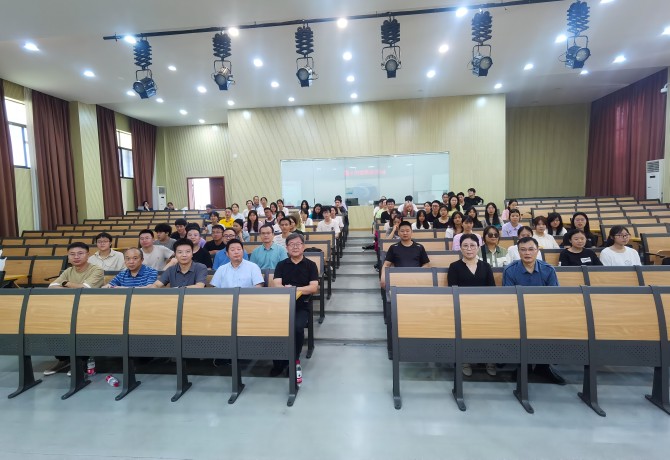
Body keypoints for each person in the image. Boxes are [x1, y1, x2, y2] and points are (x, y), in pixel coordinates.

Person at [503, 236, 565, 385]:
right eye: (523, 250)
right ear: (518, 252)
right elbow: (509, 299)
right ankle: (523, 366)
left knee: (552, 324)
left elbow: (554, 297)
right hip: (519, 312)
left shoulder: (548, 270)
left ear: (537, 251)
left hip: (544, 313)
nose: (527, 253)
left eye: (531, 249)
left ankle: (543, 367)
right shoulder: (510, 270)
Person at [45, 242, 104, 376]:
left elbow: (85, 289)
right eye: (72, 254)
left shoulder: (96, 270)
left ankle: (82, 361)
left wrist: (66, 283)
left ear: (88, 255)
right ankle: (64, 359)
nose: (76, 257)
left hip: (90, 310)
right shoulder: (68, 271)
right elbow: (52, 286)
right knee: (52, 325)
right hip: (68, 308)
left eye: (80, 253)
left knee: (80, 326)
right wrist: (74, 287)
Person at [271, 233, 319, 386]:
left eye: (298, 244)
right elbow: (277, 284)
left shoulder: (311, 265)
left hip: (301, 305)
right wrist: (294, 289)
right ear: (286, 248)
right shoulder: (281, 265)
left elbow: (313, 287)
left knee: (297, 328)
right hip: (282, 305)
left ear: (303, 246)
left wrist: (294, 289)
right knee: (275, 327)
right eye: (291, 244)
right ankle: (278, 361)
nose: (295, 247)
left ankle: (294, 359)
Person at [448, 233, 496, 377]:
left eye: (472, 245)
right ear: (460, 248)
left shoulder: (486, 266)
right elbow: (453, 291)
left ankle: (489, 360)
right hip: (463, 309)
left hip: (485, 309)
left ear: (478, 247)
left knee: (490, 327)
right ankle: (465, 361)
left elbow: (492, 290)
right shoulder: (454, 267)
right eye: (465, 246)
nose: (469, 249)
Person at [380, 221, 430, 289]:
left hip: (416, 280)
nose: (405, 233)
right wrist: (383, 276)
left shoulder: (419, 247)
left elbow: (426, 264)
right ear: (398, 233)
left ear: (412, 232)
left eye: (407, 231)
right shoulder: (393, 247)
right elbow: (386, 264)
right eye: (402, 231)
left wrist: (417, 273)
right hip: (399, 280)